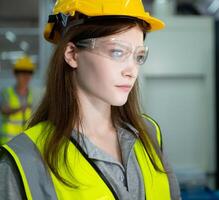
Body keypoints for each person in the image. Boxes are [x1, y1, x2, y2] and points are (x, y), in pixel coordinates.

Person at [0, 0, 181, 199]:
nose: (132, 71)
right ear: (72, 54)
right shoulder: (23, 160)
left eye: (138, 56)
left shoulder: (149, 133)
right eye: (117, 52)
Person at [0, 55, 34, 144]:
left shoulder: (30, 94)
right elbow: (4, 110)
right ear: (16, 74)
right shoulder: (6, 92)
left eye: (29, 73)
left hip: (22, 141)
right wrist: (21, 108)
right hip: (7, 141)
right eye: (23, 73)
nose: (26, 77)